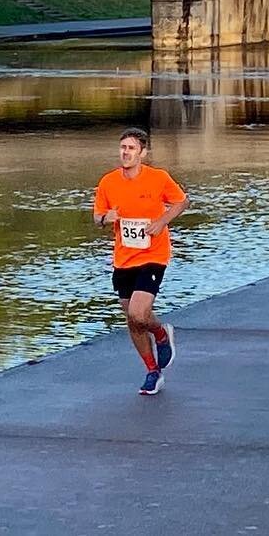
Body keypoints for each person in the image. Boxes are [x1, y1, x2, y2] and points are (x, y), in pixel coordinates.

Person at [93, 128, 189, 395]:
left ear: (142, 153)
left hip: (153, 255)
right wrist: (105, 219)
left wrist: (162, 221)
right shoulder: (108, 182)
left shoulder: (157, 178)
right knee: (133, 321)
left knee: (138, 313)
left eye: (131, 148)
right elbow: (97, 217)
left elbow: (182, 202)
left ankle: (159, 333)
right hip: (124, 259)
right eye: (123, 147)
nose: (126, 152)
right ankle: (152, 371)